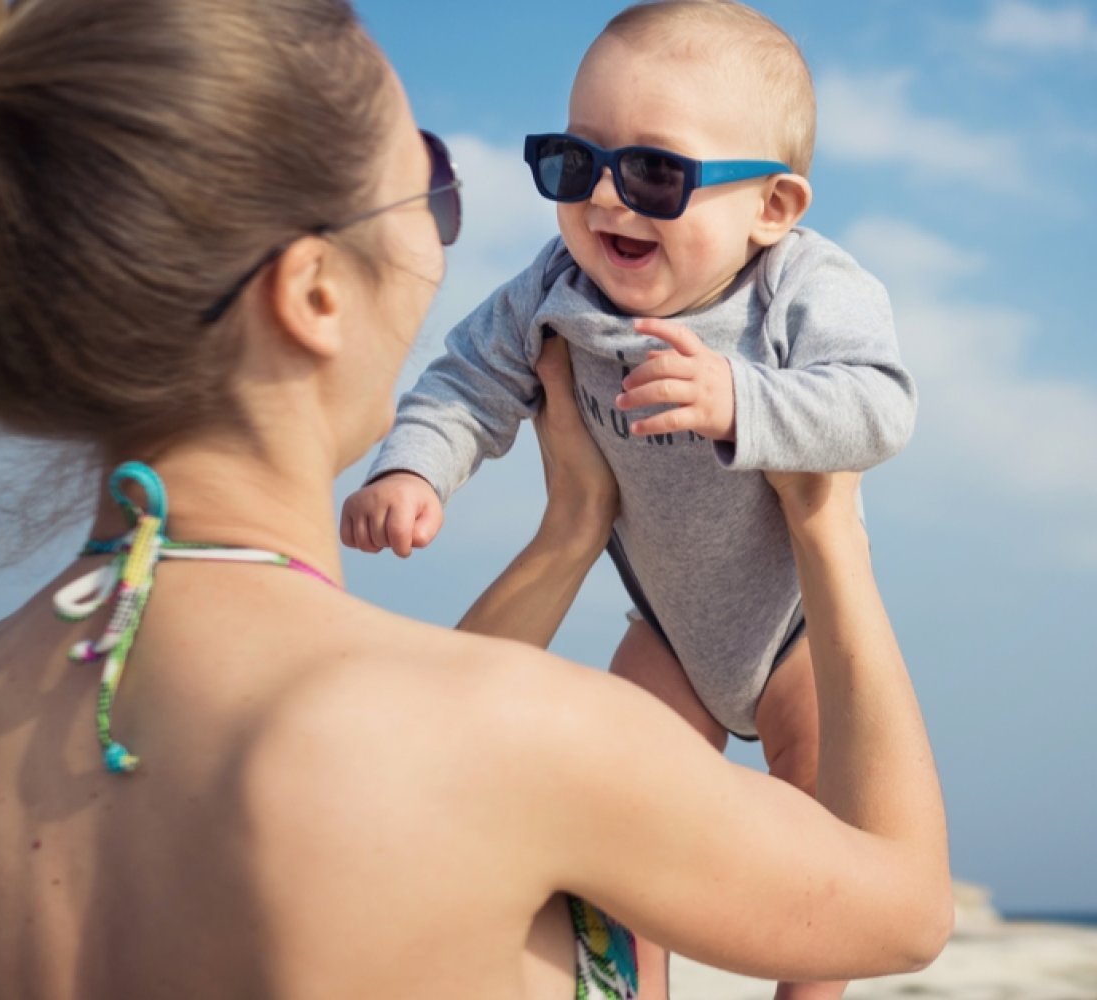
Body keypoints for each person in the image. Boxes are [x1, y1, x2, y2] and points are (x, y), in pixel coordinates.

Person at [0, 0, 951, 997]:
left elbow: (438, 707)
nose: (597, 201)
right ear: (311, 291)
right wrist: (829, 527)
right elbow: (902, 913)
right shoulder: (508, 733)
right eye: (436, 185)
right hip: (692, 621)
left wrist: (571, 530)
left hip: (745, 621)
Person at [341, 7, 914, 994]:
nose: (606, 198)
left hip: (793, 630)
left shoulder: (802, 289)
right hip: (667, 629)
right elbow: (466, 380)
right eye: (574, 163)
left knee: (827, 840)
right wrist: (411, 469)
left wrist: (743, 398)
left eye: (654, 173)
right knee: (622, 832)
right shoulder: (556, 289)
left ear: (771, 206)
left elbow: (878, 405)